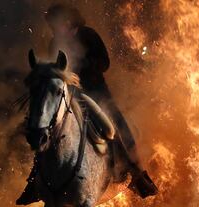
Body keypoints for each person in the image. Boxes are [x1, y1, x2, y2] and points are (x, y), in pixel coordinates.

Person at [16, 4, 157, 204]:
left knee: (117, 127)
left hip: (97, 93)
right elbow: (57, 72)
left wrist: (83, 65)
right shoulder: (55, 41)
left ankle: (136, 174)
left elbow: (104, 63)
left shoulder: (88, 35)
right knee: (46, 129)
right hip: (70, 95)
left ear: (67, 20)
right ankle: (34, 181)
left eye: (55, 23)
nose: (53, 28)